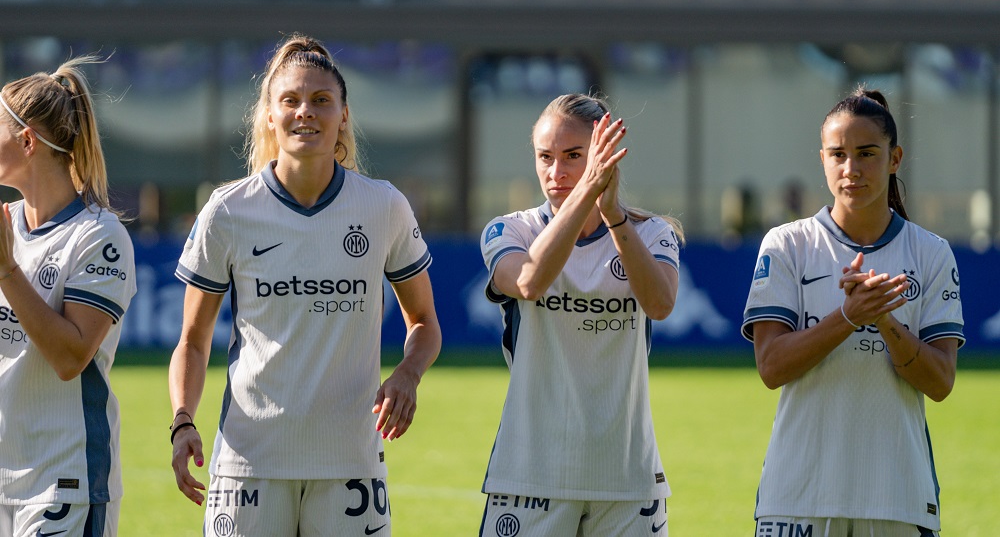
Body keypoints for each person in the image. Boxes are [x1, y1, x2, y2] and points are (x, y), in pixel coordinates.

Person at [168, 34, 441, 537]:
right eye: (289, 100)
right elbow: (192, 338)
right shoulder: (228, 211)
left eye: (321, 101)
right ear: (269, 115)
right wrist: (183, 419)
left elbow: (423, 322)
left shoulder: (383, 206)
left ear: (342, 116)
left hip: (350, 462)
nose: (305, 113)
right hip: (248, 464)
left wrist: (408, 372)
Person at [743, 88, 964, 537]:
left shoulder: (932, 253)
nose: (852, 169)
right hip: (796, 499)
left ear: (895, 157)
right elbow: (771, 367)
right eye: (838, 154)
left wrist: (883, 320)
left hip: (898, 500)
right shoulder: (787, 245)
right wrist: (847, 317)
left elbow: (940, 383)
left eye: (867, 153)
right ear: (822, 158)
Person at [478, 93, 682, 537]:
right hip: (530, 474)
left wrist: (612, 215)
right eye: (545, 157)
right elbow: (529, 282)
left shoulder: (651, 232)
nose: (557, 173)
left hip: (627, 479)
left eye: (574, 156)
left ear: (604, 157)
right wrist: (588, 190)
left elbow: (661, 304)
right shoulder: (509, 230)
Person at [0, 56, 136, 537]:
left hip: (64, 481)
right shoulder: (5, 220)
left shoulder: (100, 235)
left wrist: (7, 270)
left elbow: (69, 356)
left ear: (27, 140)